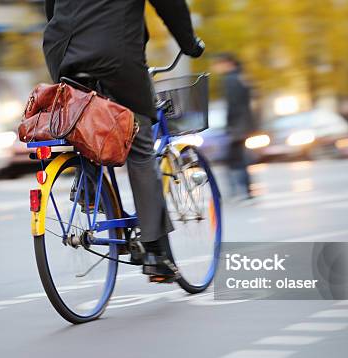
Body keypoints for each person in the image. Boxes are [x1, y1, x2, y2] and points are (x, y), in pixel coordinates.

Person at [43, 0, 205, 282]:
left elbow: (50, 6)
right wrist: (189, 42)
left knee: (85, 120)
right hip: (114, 53)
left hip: (62, 50)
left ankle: (88, 188)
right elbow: (171, 5)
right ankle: (156, 254)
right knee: (139, 145)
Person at [212, 53, 255, 199]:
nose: (216, 67)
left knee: (232, 158)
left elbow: (233, 105)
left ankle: (238, 191)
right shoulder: (241, 77)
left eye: (218, 63)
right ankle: (244, 190)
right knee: (239, 158)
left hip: (237, 125)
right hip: (244, 124)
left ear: (228, 63)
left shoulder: (230, 80)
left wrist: (229, 126)